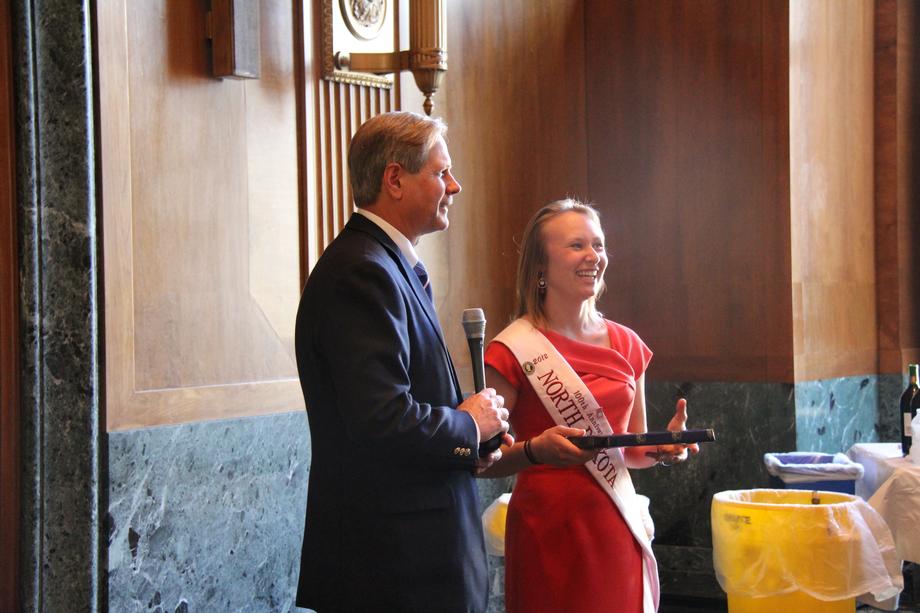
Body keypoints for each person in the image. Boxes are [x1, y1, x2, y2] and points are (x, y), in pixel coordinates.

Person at [294, 111, 512, 613]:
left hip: (413, 563)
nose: (454, 186)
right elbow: (381, 417)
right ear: (394, 178)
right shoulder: (361, 273)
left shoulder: (386, 265)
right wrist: (467, 424)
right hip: (393, 570)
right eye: (441, 173)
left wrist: (466, 447)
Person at [480, 199, 699, 613]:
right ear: (540, 266)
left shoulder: (628, 344)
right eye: (576, 245)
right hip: (545, 529)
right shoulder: (512, 349)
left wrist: (666, 447)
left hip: (613, 522)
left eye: (598, 245)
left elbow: (631, 451)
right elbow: (484, 458)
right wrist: (534, 451)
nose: (593, 257)